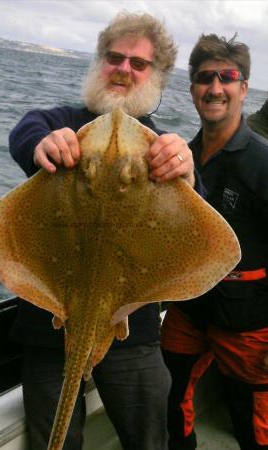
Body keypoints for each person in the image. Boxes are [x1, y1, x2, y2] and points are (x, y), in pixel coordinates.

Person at [9, 12, 198, 450]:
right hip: (49, 324)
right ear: (100, 62)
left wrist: (187, 173)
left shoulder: (164, 148)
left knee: (149, 440)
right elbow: (26, 128)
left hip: (133, 330)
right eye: (115, 57)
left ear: (157, 76)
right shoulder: (65, 122)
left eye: (138, 62)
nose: (124, 68)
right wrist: (41, 143)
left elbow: (197, 207)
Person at [161, 33, 268, 450]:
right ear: (192, 91)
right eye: (206, 78)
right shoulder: (183, 156)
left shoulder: (262, 162)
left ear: (243, 88)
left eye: (227, 77)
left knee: (252, 426)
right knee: (171, 401)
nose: (215, 87)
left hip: (250, 321)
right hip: (190, 311)